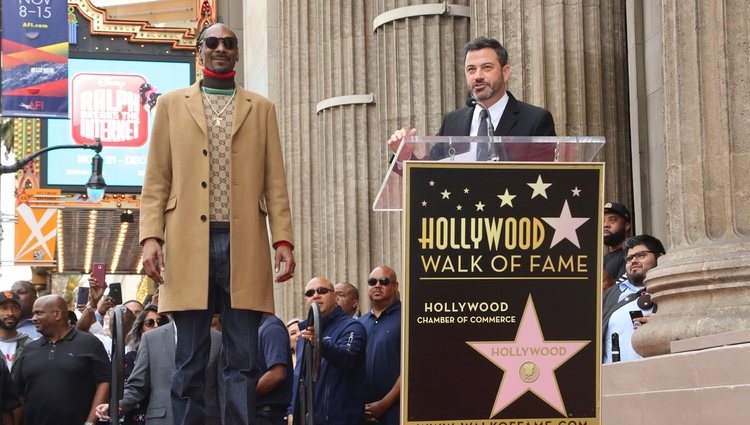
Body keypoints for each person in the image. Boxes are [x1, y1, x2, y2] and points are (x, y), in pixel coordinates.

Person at [139, 22, 296, 425]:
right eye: (213, 42)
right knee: (188, 357)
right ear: (200, 51)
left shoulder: (260, 108)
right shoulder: (172, 105)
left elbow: (274, 180)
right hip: (189, 244)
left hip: (243, 244)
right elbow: (157, 177)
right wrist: (151, 237)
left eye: (229, 43)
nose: (221, 48)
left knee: (242, 360)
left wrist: (283, 240)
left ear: (238, 53)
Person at [387, 36, 556, 163]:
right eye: (471, 69)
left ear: (505, 72)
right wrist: (404, 156)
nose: (478, 76)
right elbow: (430, 176)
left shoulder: (535, 120)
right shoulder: (453, 121)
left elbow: (545, 182)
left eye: (486, 68)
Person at [96, 320, 224, 425]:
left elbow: (223, 390)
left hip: (207, 418)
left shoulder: (217, 339)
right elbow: (137, 386)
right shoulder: (151, 338)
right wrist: (115, 407)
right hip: (162, 419)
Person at [14, 295, 110, 425]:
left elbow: (104, 382)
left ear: (57, 314)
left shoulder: (89, 343)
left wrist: (90, 422)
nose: (34, 318)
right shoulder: (28, 349)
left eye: (39, 313)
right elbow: (19, 394)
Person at [292, 277, 367, 425]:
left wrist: (320, 342)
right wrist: (291, 411)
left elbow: (347, 358)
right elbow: (299, 378)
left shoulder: (352, 327)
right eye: (309, 293)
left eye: (322, 291)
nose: (315, 295)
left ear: (336, 297)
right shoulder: (304, 336)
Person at [602, 235, 666, 363]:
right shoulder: (610, 294)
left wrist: (662, 323)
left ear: (659, 257)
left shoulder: (670, 288)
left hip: (657, 373)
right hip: (613, 377)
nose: (634, 261)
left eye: (641, 255)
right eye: (629, 258)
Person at [360, 266, 402, 425]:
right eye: (372, 282)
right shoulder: (359, 323)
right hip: (362, 413)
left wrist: (384, 403)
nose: (377, 285)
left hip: (396, 411)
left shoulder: (407, 318)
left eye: (384, 281)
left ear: (395, 286)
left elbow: (413, 368)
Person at [256, 314, 293, 425]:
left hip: (268, 416)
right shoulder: (259, 327)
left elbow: (277, 374)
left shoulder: (271, 328)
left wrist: (244, 394)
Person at [602, 202, 632, 289]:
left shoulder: (631, 255)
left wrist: (608, 283)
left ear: (627, 226)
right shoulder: (602, 259)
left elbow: (622, 289)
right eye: (602, 221)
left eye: (612, 220)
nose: (605, 225)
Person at [0, 291, 31, 371]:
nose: (10, 313)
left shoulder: (30, 346)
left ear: (20, 311)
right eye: (4, 308)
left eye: (14, 308)